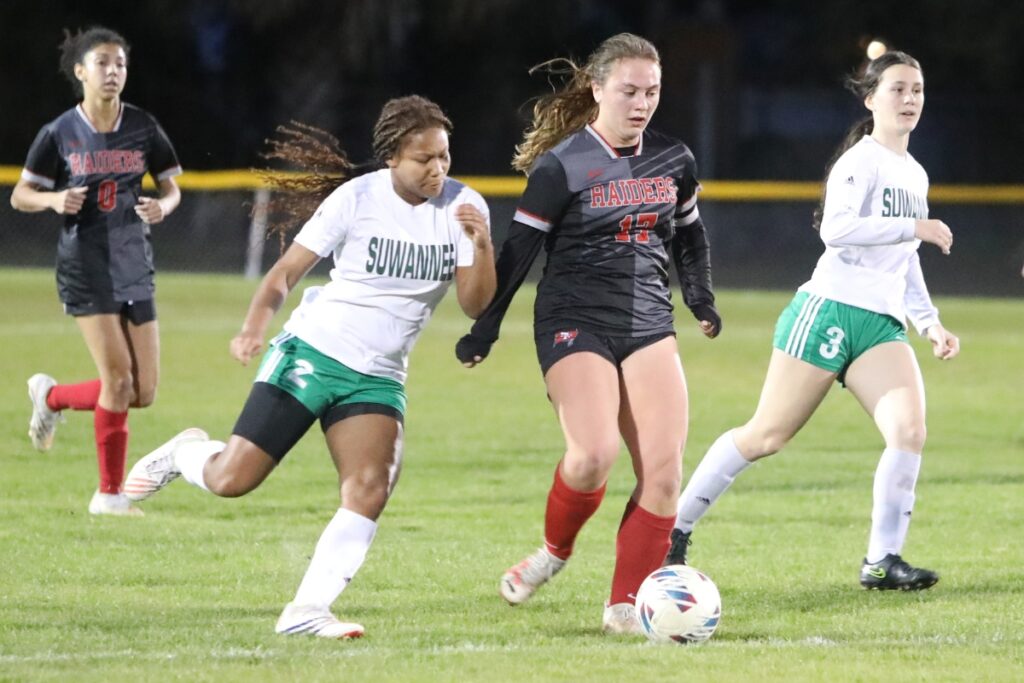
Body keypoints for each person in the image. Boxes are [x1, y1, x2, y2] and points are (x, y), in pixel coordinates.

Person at [122, 96, 496, 639]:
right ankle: (184, 454)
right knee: (232, 480)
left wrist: (482, 244)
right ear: (392, 156)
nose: (438, 168)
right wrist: (254, 327)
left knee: (371, 486)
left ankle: (306, 610)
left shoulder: (467, 209)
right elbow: (283, 275)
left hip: (380, 374)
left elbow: (475, 304)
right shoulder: (356, 198)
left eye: (444, 156)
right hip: (315, 352)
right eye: (424, 159)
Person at [455, 33, 721, 634]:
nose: (642, 102)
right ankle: (554, 552)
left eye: (652, 91)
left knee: (664, 473)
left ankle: (624, 607)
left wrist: (700, 298)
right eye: (628, 90)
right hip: (574, 319)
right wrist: (485, 330)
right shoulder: (562, 166)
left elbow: (690, 236)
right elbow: (520, 252)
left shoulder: (674, 159)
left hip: (650, 322)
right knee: (592, 455)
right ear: (597, 89)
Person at [666, 51, 959, 591]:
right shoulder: (860, 162)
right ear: (870, 98)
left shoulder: (914, 173)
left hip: (880, 326)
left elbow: (905, 260)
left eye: (917, 89)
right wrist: (913, 225)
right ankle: (674, 527)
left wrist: (929, 322)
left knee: (909, 431)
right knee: (766, 435)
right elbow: (838, 230)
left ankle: (881, 560)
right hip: (828, 310)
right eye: (897, 89)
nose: (910, 98)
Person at [11, 27, 182, 516]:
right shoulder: (59, 132)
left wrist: (164, 207)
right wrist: (51, 198)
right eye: (103, 63)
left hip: (134, 261)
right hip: (85, 265)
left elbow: (172, 187)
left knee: (141, 391)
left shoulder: (145, 127)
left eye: (121, 64)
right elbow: (20, 194)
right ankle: (109, 495)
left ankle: (53, 396)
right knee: (117, 378)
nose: (113, 72)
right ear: (81, 72)